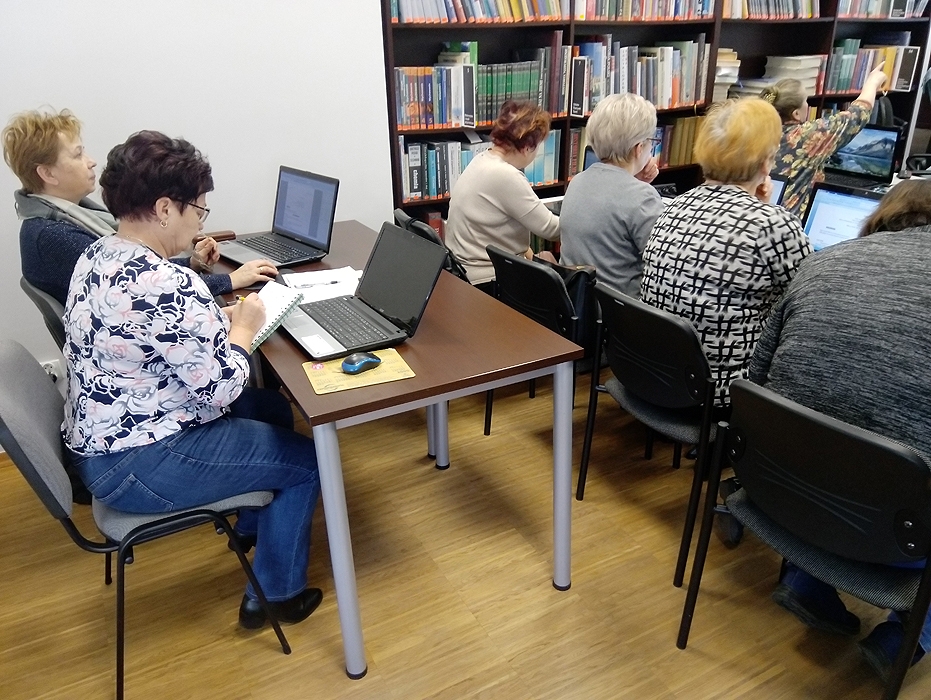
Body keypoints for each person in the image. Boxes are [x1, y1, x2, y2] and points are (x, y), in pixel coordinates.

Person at [62, 130, 322, 628]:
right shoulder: (166, 282)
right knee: (308, 463)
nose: (201, 219)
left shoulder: (99, 254)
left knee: (271, 409)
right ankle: (275, 597)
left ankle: (252, 522)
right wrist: (243, 329)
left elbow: (151, 334)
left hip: (105, 444)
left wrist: (214, 319)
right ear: (165, 208)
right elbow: (224, 388)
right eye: (198, 209)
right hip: (137, 465)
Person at [748, 179, 931, 681]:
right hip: (898, 535)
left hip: (781, 494)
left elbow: (756, 382)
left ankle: (807, 581)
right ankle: (904, 637)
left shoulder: (818, 264)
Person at [2, 108, 277, 306]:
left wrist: (191, 263)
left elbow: (138, 273)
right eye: (77, 154)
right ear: (47, 173)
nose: (91, 161)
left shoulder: (72, 215)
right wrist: (230, 280)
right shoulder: (53, 237)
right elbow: (143, 287)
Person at [641, 98, 812, 408]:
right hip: (722, 390)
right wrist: (764, 209)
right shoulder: (772, 225)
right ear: (766, 163)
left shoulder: (673, 207)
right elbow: (811, 299)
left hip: (658, 372)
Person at [445, 100, 560, 290]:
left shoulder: (481, 159)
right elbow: (551, 229)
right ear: (528, 146)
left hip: (465, 274)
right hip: (490, 281)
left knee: (547, 262)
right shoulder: (506, 175)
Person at [558, 93, 662, 297]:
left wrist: (636, 181)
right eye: (652, 141)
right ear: (639, 148)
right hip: (621, 310)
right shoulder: (642, 197)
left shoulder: (577, 181)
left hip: (578, 303)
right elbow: (662, 264)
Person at [762, 64, 887, 217]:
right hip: (789, 221)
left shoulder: (755, 132)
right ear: (796, 114)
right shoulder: (807, 136)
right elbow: (857, 115)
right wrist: (873, 82)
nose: (807, 105)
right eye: (805, 101)